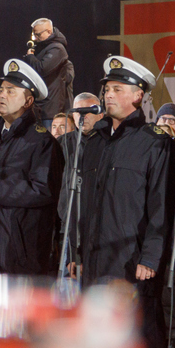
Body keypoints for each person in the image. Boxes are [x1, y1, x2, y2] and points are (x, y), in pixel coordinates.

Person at [78, 56, 175, 348]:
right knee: (98, 341)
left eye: (117, 89)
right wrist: (78, 252)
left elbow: (162, 205)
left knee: (141, 339)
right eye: (107, 88)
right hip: (96, 258)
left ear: (138, 95)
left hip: (133, 261)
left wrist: (150, 257)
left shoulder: (155, 142)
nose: (108, 94)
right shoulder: (94, 142)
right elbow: (85, 204)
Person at [0, 60, 63, 278]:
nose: (2, 95)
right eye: (1, 90)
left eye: (11, 91)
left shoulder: (42, 142)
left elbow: (43, 190)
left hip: (19, 258)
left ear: (28, 101)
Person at [58, 92, 103, 272]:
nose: (83, 116)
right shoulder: (61, 144)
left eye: (89, 111)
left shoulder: (108, 144)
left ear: (101, 115)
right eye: (78, 112)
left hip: (98, 229)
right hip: (66, 228)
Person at [23, 17, 72, 128]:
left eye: (38, 34)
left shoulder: (57, 49)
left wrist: (30, 57)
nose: (35, 38)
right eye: (34, 34)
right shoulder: (44, 47)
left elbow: (42, 69)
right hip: (41, 106)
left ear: (49, 32)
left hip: (50, 108)